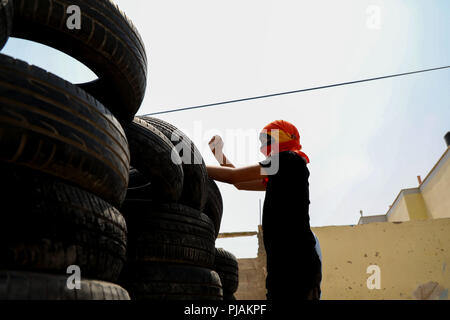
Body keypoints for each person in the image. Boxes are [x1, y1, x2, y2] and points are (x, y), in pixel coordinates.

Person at [206, 120, 322, 302]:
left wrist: (193, 166)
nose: (263, 146)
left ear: (282, 138)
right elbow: (239, 183)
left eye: (267, 140)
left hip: (298, 264)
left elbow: (234, 177)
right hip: (281, 265)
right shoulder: (281, 172)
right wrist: (219, 155)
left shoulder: (289, 160)